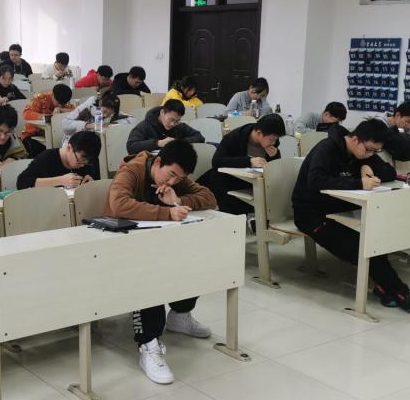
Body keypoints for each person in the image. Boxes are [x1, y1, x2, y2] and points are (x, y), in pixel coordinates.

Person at [104, 139, 217, 384]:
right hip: (120, 246)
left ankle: (180, 315)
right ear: (157, 162)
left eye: (179, 178)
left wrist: (179, 201)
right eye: (171, 175)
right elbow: (118, 204)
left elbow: (209, 197)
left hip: (158, 244)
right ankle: (148, 343)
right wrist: (167, 212)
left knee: (195, 257)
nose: (173, 181)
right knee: (148, 273)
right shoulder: (132, 170)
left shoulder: (175, 176)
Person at [292, 119, 410, 313]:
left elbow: (389, 172)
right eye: (369, 150)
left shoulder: (363, 152)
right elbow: (316, 181)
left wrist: (367, 167)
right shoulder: (326, 149)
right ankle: (398, 290)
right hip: (311, 214)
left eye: (375, 152)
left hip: (341, 211)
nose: (371, 154)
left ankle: (384, 287)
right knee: (360, 246)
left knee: (376, 238)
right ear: (355, 139)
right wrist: (359, 183)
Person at [198, 113, 285, 215]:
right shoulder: (236, 137)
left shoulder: (272, 142)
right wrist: (249, 161)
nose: (274, 143)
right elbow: (217, 161)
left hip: (256, 182)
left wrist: (275, 155)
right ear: (259, 133)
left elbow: (271, 166)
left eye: (276, 139)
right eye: (271, 139)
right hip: (231, 181)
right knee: (217, 179)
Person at [17, 131, 100, 189]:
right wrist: (60, 180)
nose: (82, 165)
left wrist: (92, 184)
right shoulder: (47, 158)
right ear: (69, 148)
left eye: (87, 162)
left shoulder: (88, 161)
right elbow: (21, 182)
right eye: (79, 160)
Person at [126, 98, 204, 154]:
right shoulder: (144, 126)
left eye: (177, 121)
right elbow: (131, 146)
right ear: (162, 112)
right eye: (171, 119)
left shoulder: (179, 126)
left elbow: (199, 137)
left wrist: (178, 142)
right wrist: (158, 143)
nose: (173, 124)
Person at [21, 83, 74, 156]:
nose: (60, 105)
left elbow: (76, 111)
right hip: (32, 134)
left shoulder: (63, 102)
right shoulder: (40, 98)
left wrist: (61, 109)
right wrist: (48, 117)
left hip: (53, 135)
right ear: (53, 95)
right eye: (58, 103)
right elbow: (26, 114)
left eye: (62, 104)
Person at [62, 90, 134, 136]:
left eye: (112, 109)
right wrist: (88, 125)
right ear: (100, 103)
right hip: (75, 141)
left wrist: (112, 124)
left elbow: (132, 119)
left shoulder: (113, 112)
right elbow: (65, 124)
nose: (109, 111)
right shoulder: (86, 108)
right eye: (107, 107)